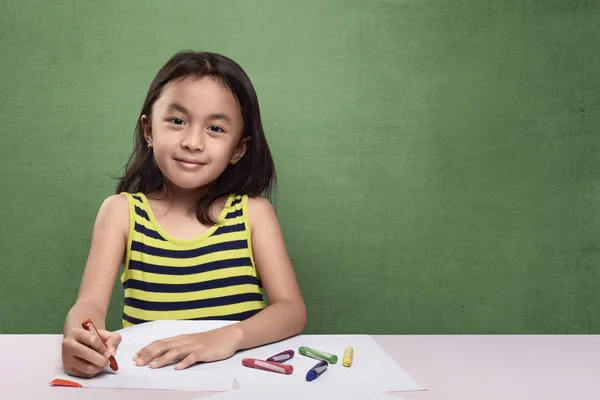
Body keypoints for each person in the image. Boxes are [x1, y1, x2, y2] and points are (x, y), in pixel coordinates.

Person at [61, 51, 306, 378]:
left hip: (241, 380)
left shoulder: (253, 214)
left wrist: (227, 337)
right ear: (149, 130)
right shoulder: (122, 213)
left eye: (216, 128)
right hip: (151, 378)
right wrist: (81, 339)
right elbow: (89, 304)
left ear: (238, 148)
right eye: (177, 121)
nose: (192, 142)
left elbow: (291, 311)